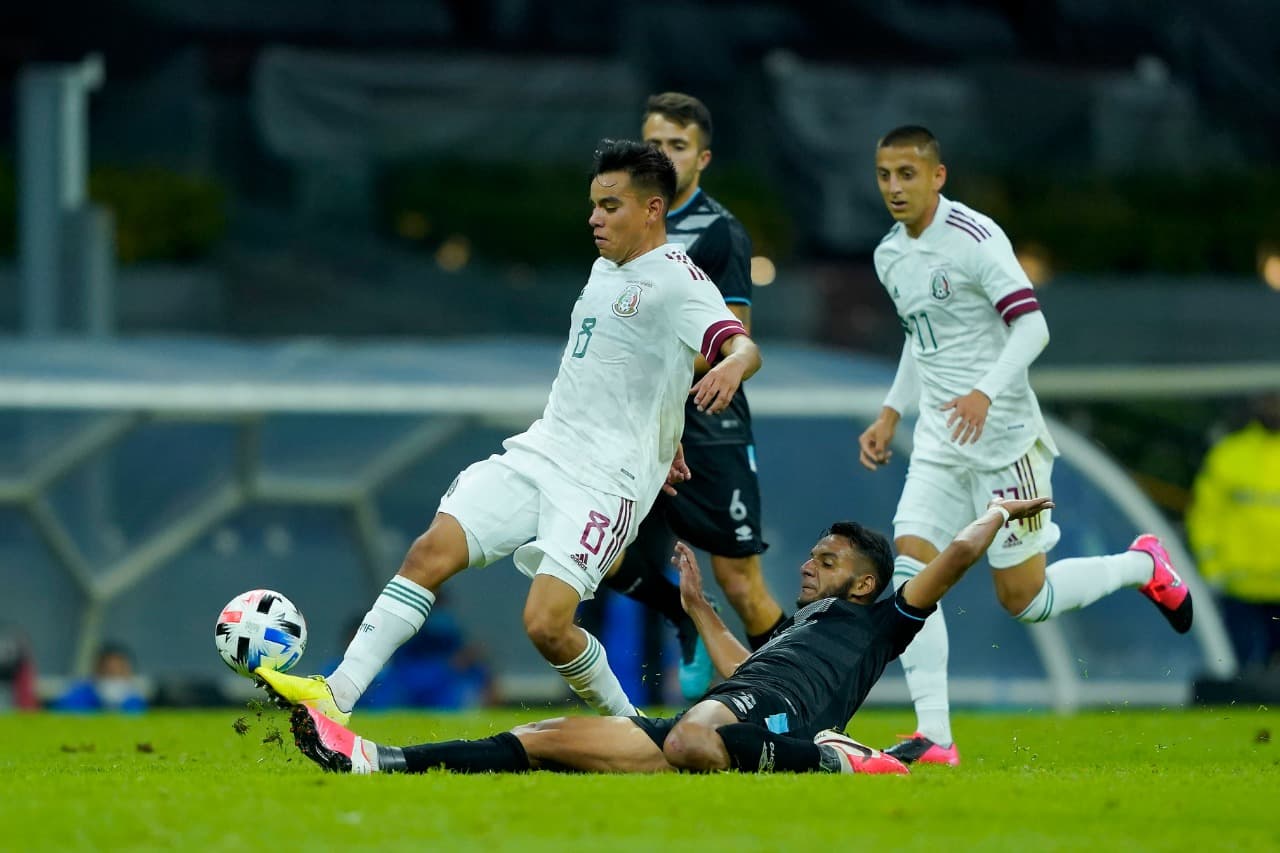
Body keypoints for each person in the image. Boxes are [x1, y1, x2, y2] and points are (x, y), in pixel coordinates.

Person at [257, 139, 762, 724]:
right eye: (594, 204)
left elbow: (741, 344)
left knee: (547, 625)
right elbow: (631, 363)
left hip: (606, 481)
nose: (595, 218)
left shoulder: (678, 279)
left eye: (610, 206)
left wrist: (729, 364)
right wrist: (666, 419)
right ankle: (336, 694)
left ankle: (638, 734)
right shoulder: (605, 268)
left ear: (652, 210)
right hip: (544, 449)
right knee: (430, 551)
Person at [284, 495, 1055, 776]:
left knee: (694, 740)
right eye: (813, 556)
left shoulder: (882, 616)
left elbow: (950, 561)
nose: (810, 567)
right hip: (733, 711)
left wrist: (994, 515)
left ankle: (838, 759)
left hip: (752, 722)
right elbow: (743, 671)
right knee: (545, 735)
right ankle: (379, 761)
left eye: (828, 561)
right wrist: (698, 606)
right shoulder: (807, 626)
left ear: (864, 580)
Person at [858, 125, 1193, 766]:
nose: (895, 187)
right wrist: (892, 409)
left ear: (938, 176)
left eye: (907, 173)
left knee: (1025, 602)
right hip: (939, 440)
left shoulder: (977, 239)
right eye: (884, 175)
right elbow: (919, 335)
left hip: (1005, 438)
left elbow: (1032, 327)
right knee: (910, 572)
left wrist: (984, 392)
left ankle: (1143, 566)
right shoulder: (889, 255)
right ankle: (936, 738)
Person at [602, 92, 786, 701]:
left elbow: (733, 343)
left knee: (739, 581)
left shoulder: (719, 233)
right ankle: (682, 613)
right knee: (600, 549)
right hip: (639, 419)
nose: (664, 155)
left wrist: (652, 361)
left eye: (677, 146)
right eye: (655, 143)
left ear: (702, 158)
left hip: (708, 422)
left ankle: (795, 696)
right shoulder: (627, 222)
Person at [1186, 392, 1280, 671]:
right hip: (1239, 587)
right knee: (1244, 667)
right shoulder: (1229, 453)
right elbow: (1205, 516)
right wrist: (1212, 568)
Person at [52, 643, 147, 713]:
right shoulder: (73, 699)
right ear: (95, 671)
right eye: (109, 672)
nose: (114, 677)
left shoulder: (136, 702)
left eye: (120, 671)